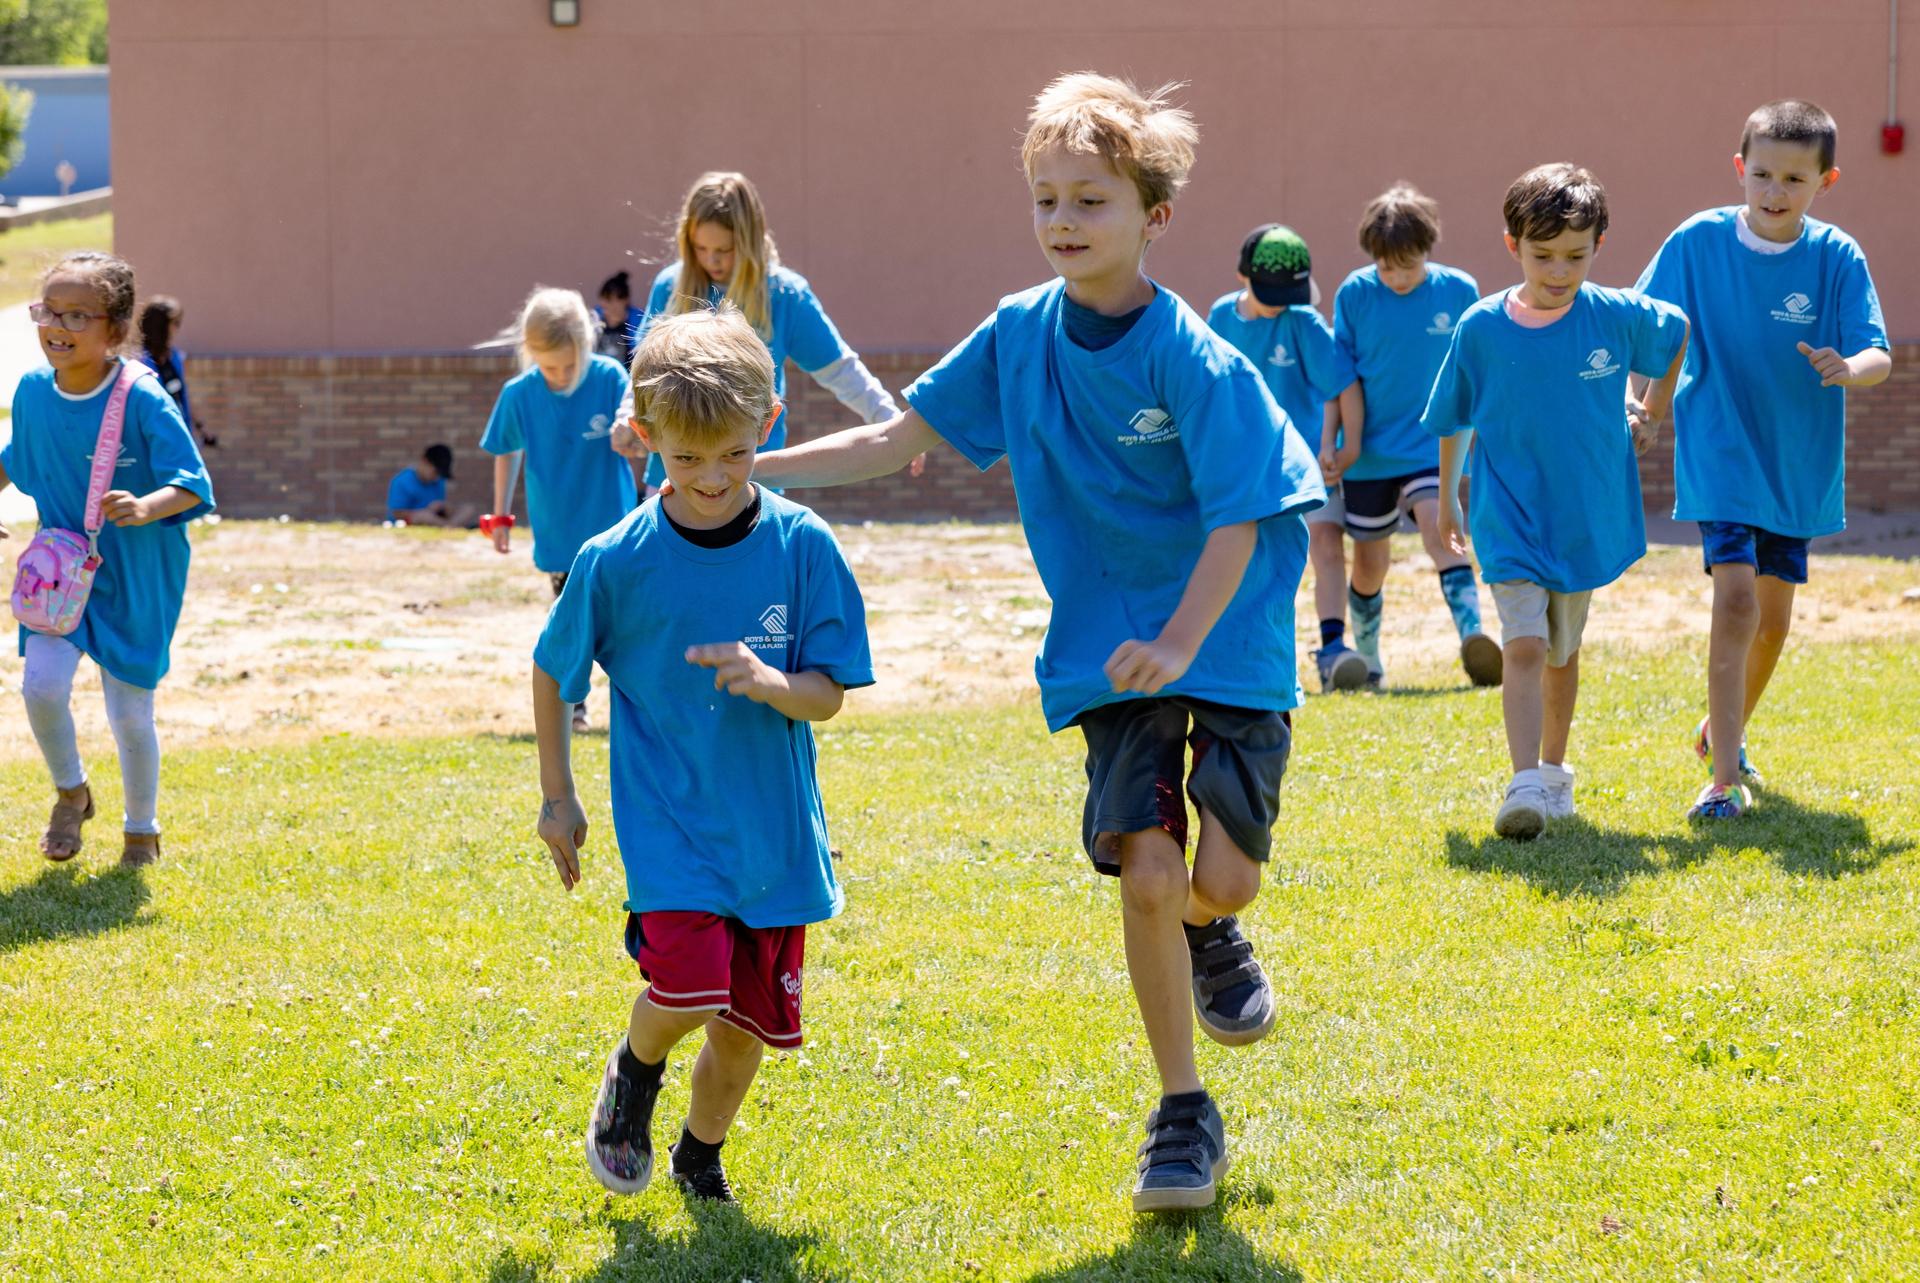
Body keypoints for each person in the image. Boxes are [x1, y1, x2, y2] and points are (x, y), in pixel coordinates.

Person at [752, 73, 1325, 1213]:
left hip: (1229, 627)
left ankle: (1216, 931)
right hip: (1112, 651)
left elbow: (1242, 520)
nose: (1064, 221)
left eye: (1092, 201)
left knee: (1223, 876)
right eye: (1047, 199)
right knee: (1148, 871)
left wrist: (1180, 640)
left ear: (1154, 217)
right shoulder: (1017, 334)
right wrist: (745, 467)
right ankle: (1182, 1110)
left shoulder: (1195, 357)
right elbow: (897, 437)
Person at [532, 305, 872, 1205]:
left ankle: (699, 1152)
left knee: (743, 1035)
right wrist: (557, 796)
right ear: (644, 440)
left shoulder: (805, 546)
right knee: (684, 990)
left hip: (772, 838)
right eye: (685, 459)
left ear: (767, 426)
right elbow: (550, 666)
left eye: (733, 454)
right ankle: (633, 1077)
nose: (711, 478)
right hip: (670, 827)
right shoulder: (614, 560)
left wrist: (770, 680)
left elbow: (829, 692)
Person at [1633, 100, 1891, 820]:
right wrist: (1640, 406)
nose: (1776, 192)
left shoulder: (1837, 256)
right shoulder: (1697, 242)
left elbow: (1878, 354)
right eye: (1765, 175)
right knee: (1738, 601)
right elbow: (1645, 326)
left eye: (1794, 179)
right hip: (1719, 449)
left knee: (1775, 622)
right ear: (1741, 170)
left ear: (1825, 182)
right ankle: (1723, 781)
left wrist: (1851, 366)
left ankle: (1723, 730)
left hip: (1797, 464)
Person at [1424, 164, 1688, 840]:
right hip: (1507, 515)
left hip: (1582, 518)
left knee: (1563, 655)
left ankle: (1553, 772)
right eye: (1543, 255)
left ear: (1601, 242)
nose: (1560, 270)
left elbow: (1677, 330)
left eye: (1577, 254)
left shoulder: (1616, 314)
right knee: (1525, 644)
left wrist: (1653, 411)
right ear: (1512, 245)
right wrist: (1451, 495)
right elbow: (1457, 416)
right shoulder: (1482, 327)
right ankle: (1522, 785)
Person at [0, 252, 215, 866]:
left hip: (138, 571)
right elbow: (17, 457)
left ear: (115, 330)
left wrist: (148, 506)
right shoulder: (33, 391)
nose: (57, 325)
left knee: (128, 711)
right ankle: (72, 792)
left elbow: (193, 481)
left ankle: (141, 831)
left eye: (77, 314)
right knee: (40, 688)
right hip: (59, 570)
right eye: (47, 311)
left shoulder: (143, 395)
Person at [609, 171, 917, 483]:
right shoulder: (670, 286)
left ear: (748, 241)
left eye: (724, 250)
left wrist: (891, 423)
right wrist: (626, 417)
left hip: (754, 475)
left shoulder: (784, 295)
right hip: (673, 477)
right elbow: (644, 372)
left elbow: (840, 370)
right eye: (700, 249)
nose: (711, 260)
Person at [1332, 184, 1499, 689]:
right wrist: (1346, 444)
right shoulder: (1354, 294)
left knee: (1439, 526)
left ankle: (1475, 637)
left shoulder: (1458, 291)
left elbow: (1478, 370)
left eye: (1407, 265)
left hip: (1433, 445)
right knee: (1369, 564)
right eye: (1386, 267)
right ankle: (1368, 659)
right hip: (1370, 456)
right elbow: (1343, 378)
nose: (1397, 277)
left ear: (1427, 250)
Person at [1205, 224, 1368, 691]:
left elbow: (1343, 385)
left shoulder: (1303, 322)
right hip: (1242, 467)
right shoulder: (1220, 317)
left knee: (1326, 546)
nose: (1278, 302)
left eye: (1288, 292)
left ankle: (1334, 649)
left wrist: (1348, 446)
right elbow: (1205, 388)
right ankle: (1241, 653)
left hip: (1306, 465)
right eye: (1269, 291)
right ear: (1242, 276)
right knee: (1247, 558)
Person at [481, 287, 641, 732]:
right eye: (549, 366)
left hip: (613, 529)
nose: (560, 375)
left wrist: (629, 436)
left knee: (626, 620)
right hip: (560, 533)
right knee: (573, 623)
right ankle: (574, 706)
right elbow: (506, 451)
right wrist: (500, 516)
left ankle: (637, 701)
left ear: (587, 345)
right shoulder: (519, 395)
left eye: (570, 365)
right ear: (529, 353)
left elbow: (639, 433)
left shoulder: (610, 379)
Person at [134, 294, 215, 449]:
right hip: (153, 441)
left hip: (180, 437)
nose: (177, 328)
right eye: (175, 323)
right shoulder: (139, 362)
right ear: (160, 326)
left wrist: (200, 427)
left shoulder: (175, 357)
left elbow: (183, 395)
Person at [385, 442, 477, 526]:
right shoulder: (401, 481)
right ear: (425, 461)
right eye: (435, 472)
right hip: (411, 521)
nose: (437, 477)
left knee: (468, 509)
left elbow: (441, 510)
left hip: (436, 519)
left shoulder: (438, 481)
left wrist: (445, 507)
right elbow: (396, 513)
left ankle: (449, 526)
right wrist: (426, 510)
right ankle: (449, 526)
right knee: (423, 516)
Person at [593, 270, 641, 369]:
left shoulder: (638, 322)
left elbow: (640, 354)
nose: (604, 304)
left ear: (625, 300)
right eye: (602, 299)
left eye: (609, 299)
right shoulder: (595, 320)